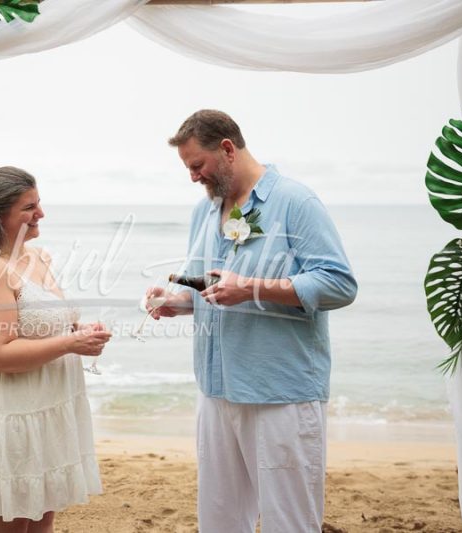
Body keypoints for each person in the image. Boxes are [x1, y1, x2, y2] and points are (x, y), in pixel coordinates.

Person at [146, 110, 357, 532]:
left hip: (280, 394)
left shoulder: (297, 202)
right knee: (220, 520)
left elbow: (339, 284)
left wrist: (254, 288)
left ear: (227, 149)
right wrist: (176, 301)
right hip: (216, 391)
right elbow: (207, 285)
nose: (193, 177)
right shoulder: (203, 213)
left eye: (196, 166)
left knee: (289, 522)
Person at [0, 166, 111, 533]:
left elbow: (46, 323)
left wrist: (81, 332)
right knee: (14, 521)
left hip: (51, 405)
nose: (40, 213)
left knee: (43, 516)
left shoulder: (38, 257)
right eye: (29, 207)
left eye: (38, 203)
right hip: (15, 411)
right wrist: (70, 343)